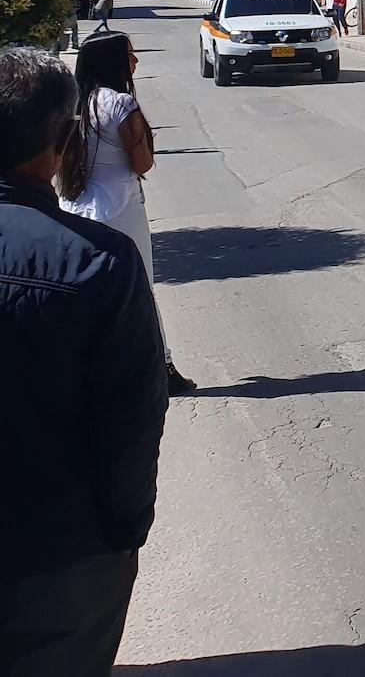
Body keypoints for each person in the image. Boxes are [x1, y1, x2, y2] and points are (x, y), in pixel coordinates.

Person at [0, 46, 168, 676]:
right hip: (60, 556)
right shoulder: (100, 262)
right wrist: (124, 534)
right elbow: (131, 418)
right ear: (62, 144)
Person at [59, 32, 195, 395]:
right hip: (119, 210)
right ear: (113, 62)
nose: (135, 62)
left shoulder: (72, 104)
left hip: (74, 207)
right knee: (139, 289)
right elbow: (142, 163)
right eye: (130, 56)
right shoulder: (120, 105)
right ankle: (162, 368)